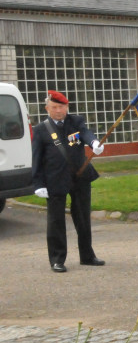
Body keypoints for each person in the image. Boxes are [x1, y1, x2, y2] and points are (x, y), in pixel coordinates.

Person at [30, 90, 106, 273]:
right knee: (56, 221)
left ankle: (87, 256)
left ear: (67, 107)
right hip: (55, 180)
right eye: (54, 107)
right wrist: (38, 184)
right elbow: (36, 159)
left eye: (61, 107)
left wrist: (94, 143)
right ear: (47, 108)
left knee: (83, 218)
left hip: (79, 176)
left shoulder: (76, 122)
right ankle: (57, 259)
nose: (58, 111)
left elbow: (86, 133)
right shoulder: (41, 130)